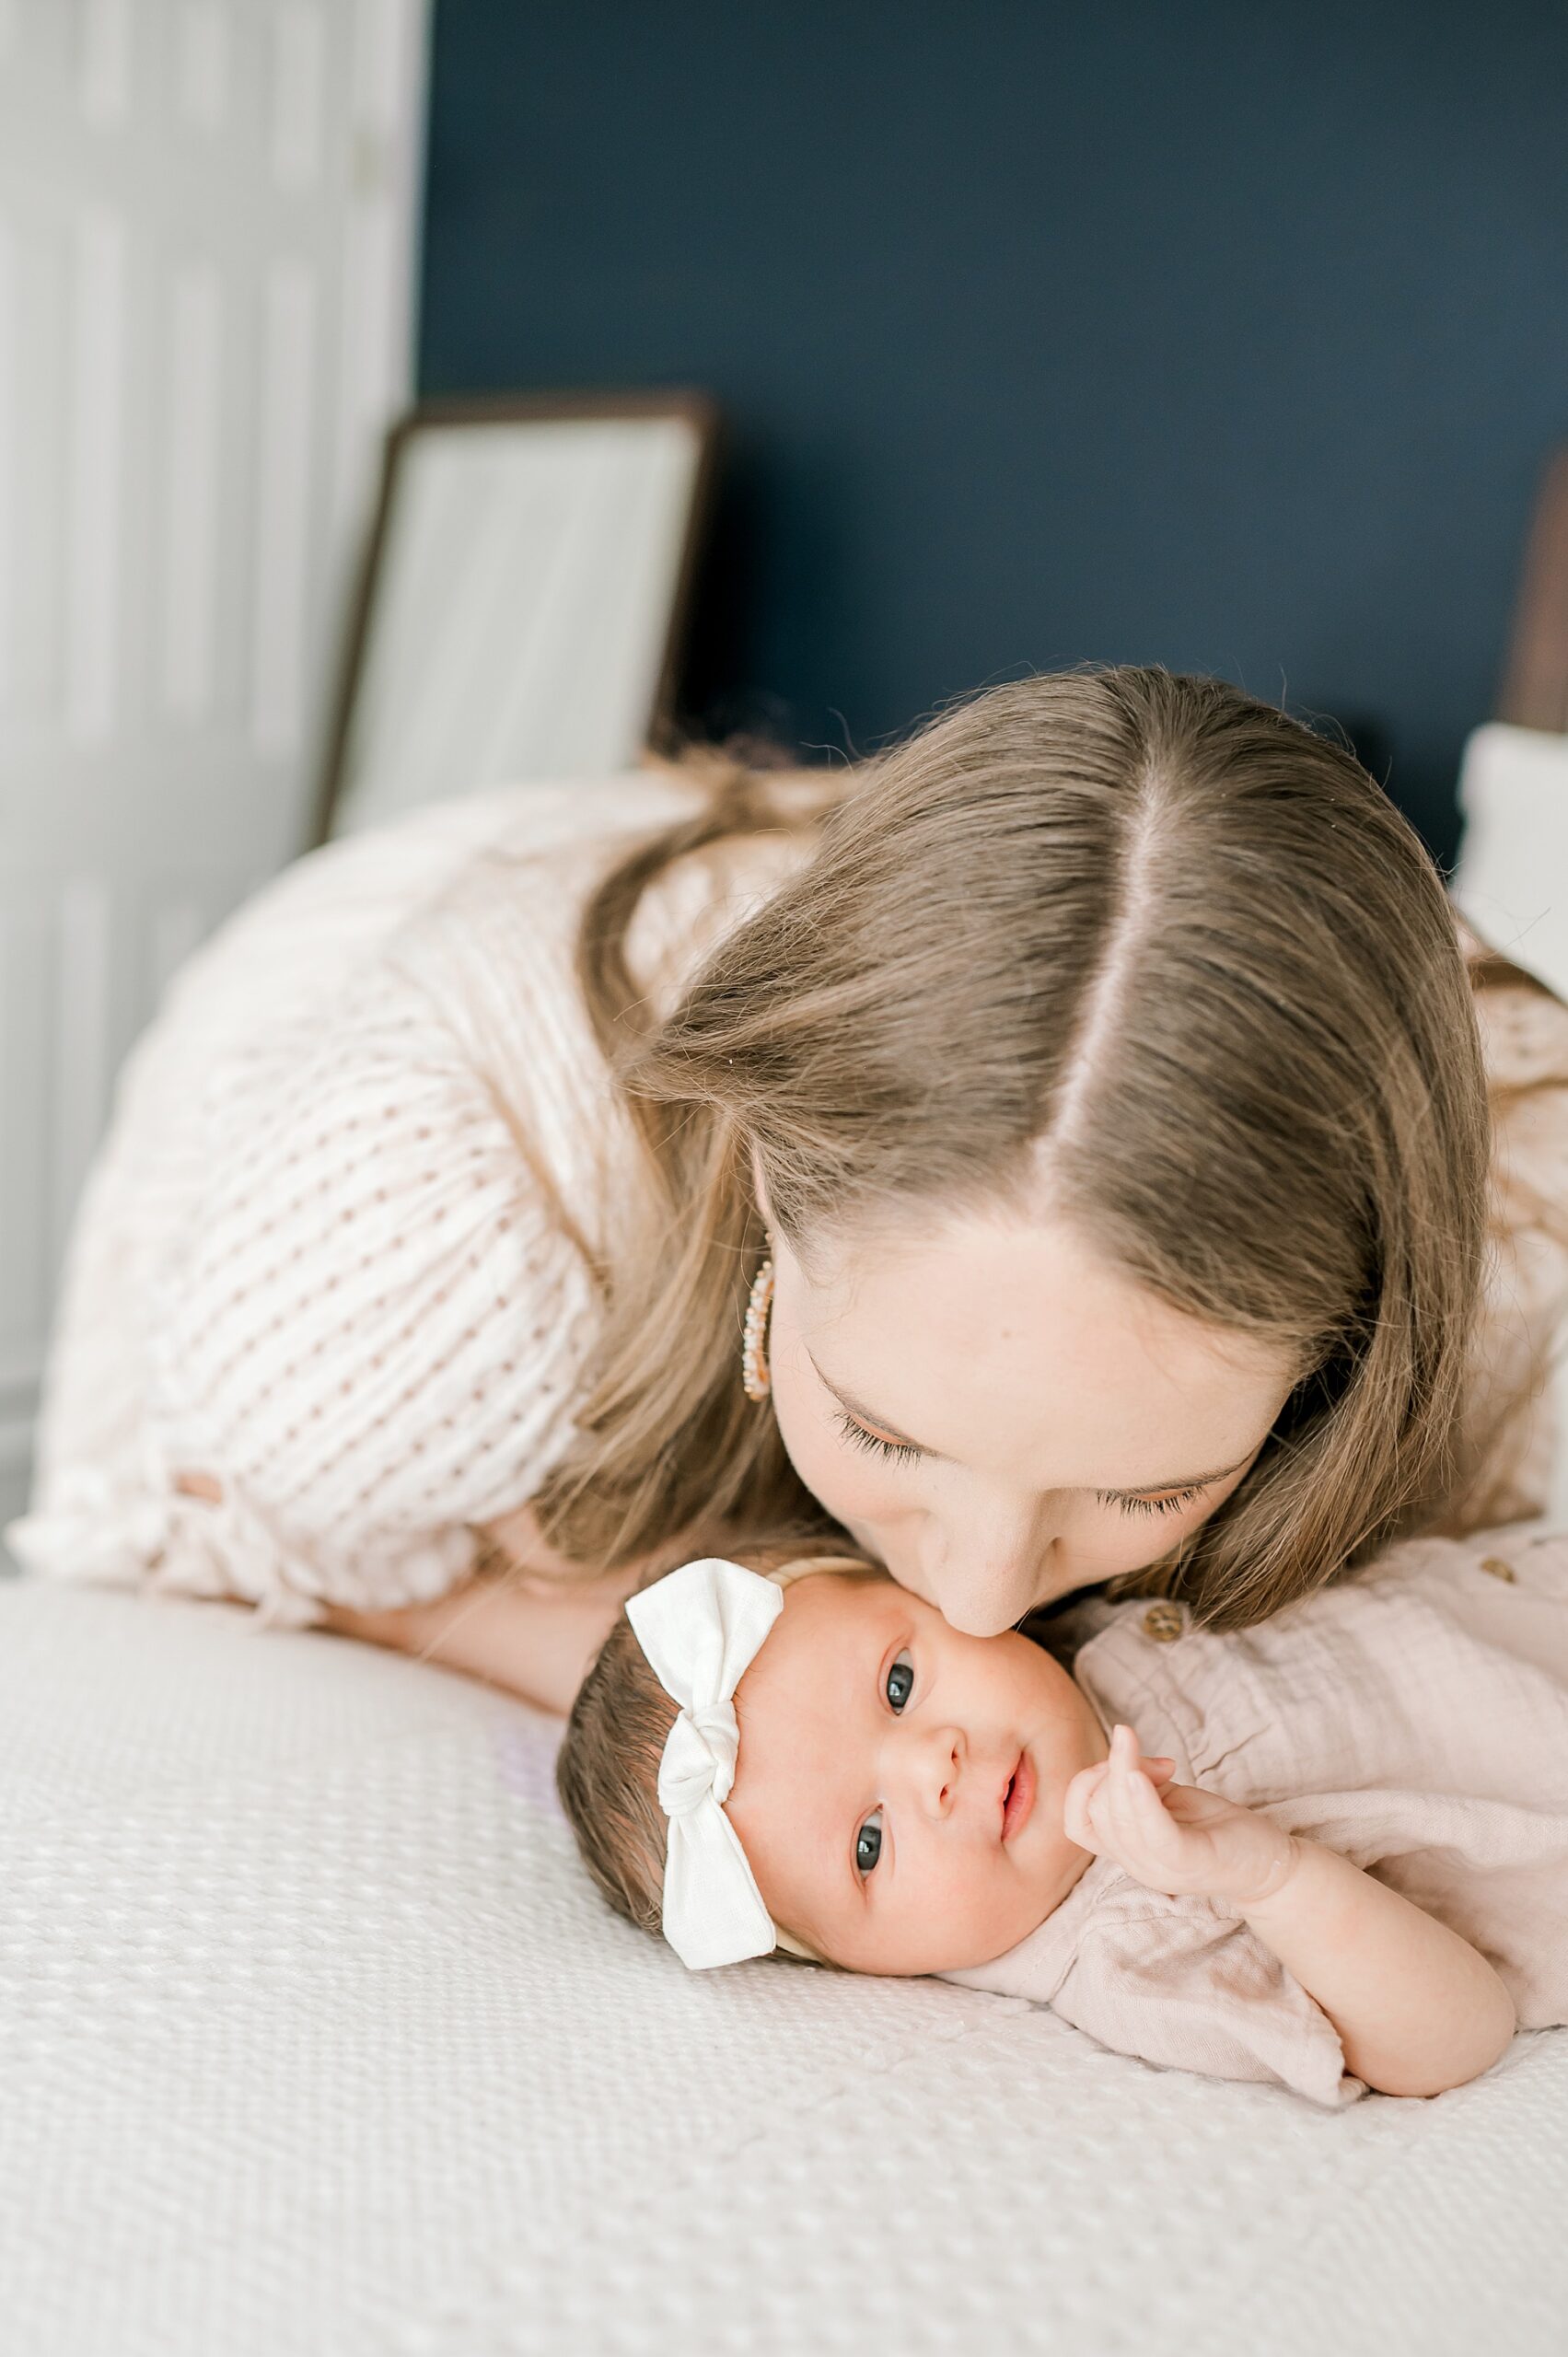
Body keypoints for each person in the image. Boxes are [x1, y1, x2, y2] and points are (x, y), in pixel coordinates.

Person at [12, 670, 1568, 1705]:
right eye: (886, 1430)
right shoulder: (406, 1244)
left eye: (1141, 1489)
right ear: (767, 1206)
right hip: (393, 980)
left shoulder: (1519, 1253)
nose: (970, 1603)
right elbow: (230, 1533)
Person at [553, 1536, 1568, 2105]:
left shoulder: (1070, 1620)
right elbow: (1454, 2039)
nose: (931, 1764)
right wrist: (1271, 1877)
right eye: (869, 1843)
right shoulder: (1129, 1950)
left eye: (898, 1681)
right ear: (863, 1969)